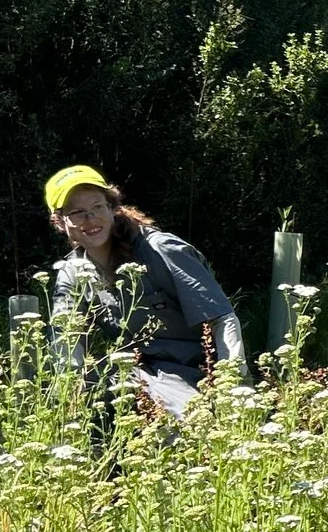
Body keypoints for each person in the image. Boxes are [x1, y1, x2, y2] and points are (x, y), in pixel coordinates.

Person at [44, 165, 247, 417]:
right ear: (60, 222)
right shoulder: (73, 272)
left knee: (193, 427)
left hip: (196, 370)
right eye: (78, 212)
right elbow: (66, 339)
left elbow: (222, 319)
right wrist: (69, 392)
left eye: (98, 206)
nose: (91, 219)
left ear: (112, 208)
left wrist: (233, 385)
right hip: (136, 370)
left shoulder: (161, 250)